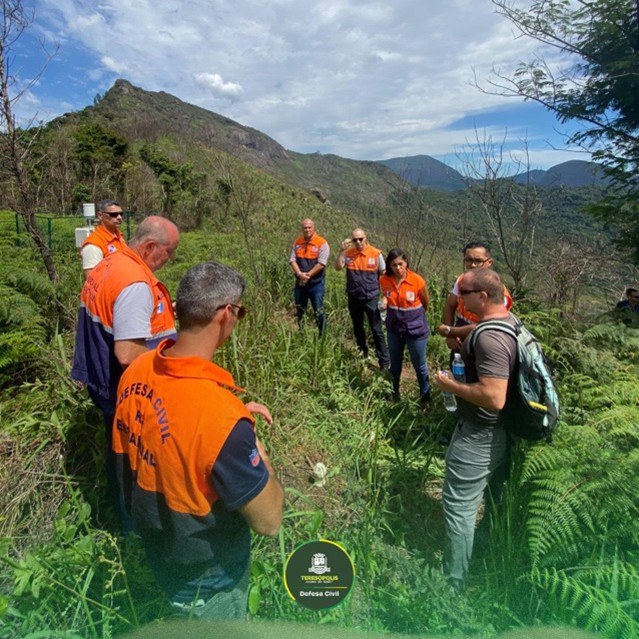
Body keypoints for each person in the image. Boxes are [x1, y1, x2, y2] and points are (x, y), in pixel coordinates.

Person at [112, 261, 284, 619]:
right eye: (240, 313)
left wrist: (230, 422)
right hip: (210, 582)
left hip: (159, 552)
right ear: (226, 313)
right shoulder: (221, 418)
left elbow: (167, 432)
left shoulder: (137, 371)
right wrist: (253, 446)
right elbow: (269, 522)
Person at [71, 215, 180, 531]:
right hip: (126, 394)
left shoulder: (111, 262)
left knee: (117, 453)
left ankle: (123, 516)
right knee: (132, 462)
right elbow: (128, 354)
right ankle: (133, 531)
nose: (170, 259)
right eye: (169, 251)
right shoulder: (135, 283)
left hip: (101, 383)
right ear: (149, 247)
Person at [432, 268, 518, 593]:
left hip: (481, 433)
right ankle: (480, 553)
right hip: (500, 431)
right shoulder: (506, 322)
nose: (458, 297)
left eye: (463, 292)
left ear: (482, 297)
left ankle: (452, 588)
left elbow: (494, 397)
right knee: (481, 502)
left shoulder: (490, 337)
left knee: (458, 507)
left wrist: (451, 385)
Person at [437, 242, 513, 349]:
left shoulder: (499, 293)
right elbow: (450, 305)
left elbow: (488, 326)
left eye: (478, 261)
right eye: (469, 260)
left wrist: (449, 331)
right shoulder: (462, 280)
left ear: (489, 262)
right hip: (459, 344)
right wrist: (451, 337)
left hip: (484, 347)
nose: (473, 265)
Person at [379, 248, 431, 406]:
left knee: (420, 365)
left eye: (400, 264)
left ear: (406, 263)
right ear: (389, 265)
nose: (398, 268)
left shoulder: (417, 280)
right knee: (395, 364)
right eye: (394, 265)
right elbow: (386, 295)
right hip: (394, 328)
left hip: (415, 329)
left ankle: (425, 399)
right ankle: (394, 394)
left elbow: (425, 302)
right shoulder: (384, 280)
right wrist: (385, 302)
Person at [335, 228, 390, 369]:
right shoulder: (348, 254)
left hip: (371, 298)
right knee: (357, 327)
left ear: (365, 238)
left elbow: (384, 276)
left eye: (360, 239)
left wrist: (386, 297)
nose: (358, 242)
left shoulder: (376, 254)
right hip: (354, 297)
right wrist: (341, 250)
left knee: (376, 330)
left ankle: (384, 362)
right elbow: (338, 267)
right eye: (355, 239)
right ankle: (362, 354)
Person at [289, 218, 330, 335]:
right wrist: (299, 274)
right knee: (300, 311)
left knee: (319, 311)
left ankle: (323, 337)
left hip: (316, 284)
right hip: (300, 284)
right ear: (302, 229)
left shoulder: (322, 243)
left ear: (314, 227)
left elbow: (321, 263)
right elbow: (292, 260)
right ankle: (302, 334)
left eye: (309, 227)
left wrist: (307, 275)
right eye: (305, 227)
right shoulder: (297, 242)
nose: (307, 229)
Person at [80, 200, 127, 279]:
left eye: (121, 214)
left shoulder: (119, 236)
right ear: (100, 215)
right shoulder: (93, 245)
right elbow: (93, 281)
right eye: (114, 214)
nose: (119, 217)